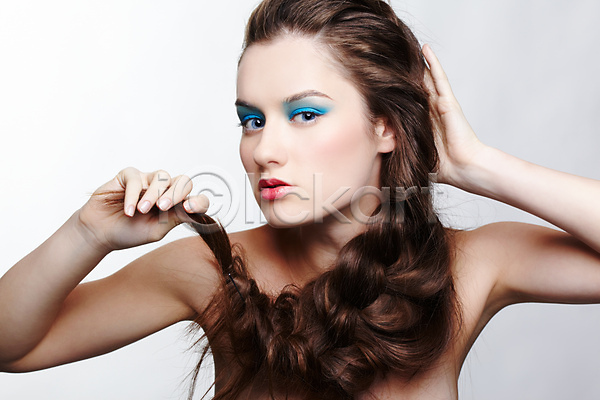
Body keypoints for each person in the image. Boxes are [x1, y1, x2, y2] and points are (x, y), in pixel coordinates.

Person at [1, 0, 600, 399]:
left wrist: (478, 166)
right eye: (252, 120)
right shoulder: (211, 269)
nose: (265, 150)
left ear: (384, 125)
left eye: (305, 114)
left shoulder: (470, 265)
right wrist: (87, 234)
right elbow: (12, 349)